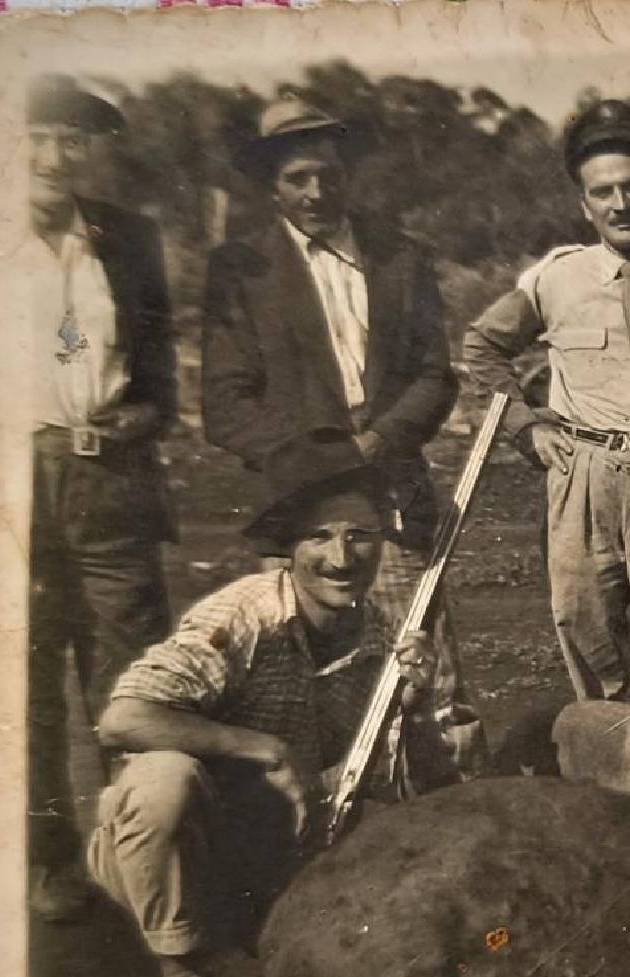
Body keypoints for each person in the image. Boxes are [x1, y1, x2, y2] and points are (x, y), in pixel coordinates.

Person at [87, 431, 464, 977]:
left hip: (272, 846)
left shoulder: (380, 636)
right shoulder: (241, 617)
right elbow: (122, 719)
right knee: (163, 780)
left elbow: (409, 783)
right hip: (175, 844)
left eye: (360, 535)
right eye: (319, 536)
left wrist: (414, 706)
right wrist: (262, 746)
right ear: (287, 548)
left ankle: (249, 945)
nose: (341, 557)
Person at [202, 96, 482, 773]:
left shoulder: (400, 259)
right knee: (297, 684)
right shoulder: (242, 270)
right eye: (297, 178)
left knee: (428, 673)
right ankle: (316, 824)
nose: (316, 192)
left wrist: (378, 442)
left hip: (392, 494)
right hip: (298, 507)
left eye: (328, 174)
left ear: (347, 174)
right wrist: (316, 462)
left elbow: (434, 375)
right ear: (272, 185)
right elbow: (226, 403)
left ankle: (453, 805)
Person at [463, 100, 630, 700]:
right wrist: (526, 427)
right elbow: (482, 348)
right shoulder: (555, 278)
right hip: (580, 475)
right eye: (603, 192)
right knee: (587, 639)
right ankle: (605, 752)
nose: (620, 205)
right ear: (583, 205)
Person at [25, 77, 179, 923]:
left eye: (71, 142)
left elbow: (158, 378)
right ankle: (49, 863)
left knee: (131, 676)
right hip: (9, 483)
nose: (53, 157)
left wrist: (136, 421)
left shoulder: (127, 238)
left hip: (111, 482)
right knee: (25, 683)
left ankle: (138, 855)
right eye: (37, 138)